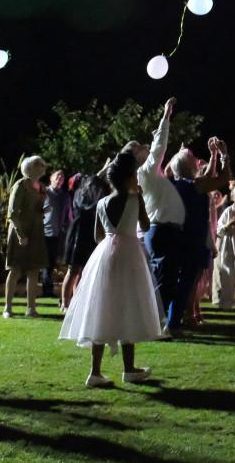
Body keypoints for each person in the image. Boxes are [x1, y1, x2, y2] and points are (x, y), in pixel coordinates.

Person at [59, 152, 161, 388]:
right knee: (128, 306)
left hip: (105, 255)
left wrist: (111, 237)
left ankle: (95, 371)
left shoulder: (102, 203)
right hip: (129, 255)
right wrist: (140, 203)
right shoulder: (135, 200)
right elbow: (145, 225)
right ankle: (129, 368)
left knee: (102, 307)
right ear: (129, 177)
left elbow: (97, 235)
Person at [129, 98, 184, 334]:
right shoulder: (145, 171)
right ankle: (154, 324)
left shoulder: (150, 173)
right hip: (160, 230)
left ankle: (157, 323)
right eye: (141, 148)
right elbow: (159, 146)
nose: (147, 148)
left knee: (164, 279)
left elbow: (158, 150)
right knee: (163, 280)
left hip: (161, 230)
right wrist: (165, 116)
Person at [169, 140, 230, 328]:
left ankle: (179, 317)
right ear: (187, 166)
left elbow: (207, 177)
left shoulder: (176, 183)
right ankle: (180, 318)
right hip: (194, 237)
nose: (196, 160)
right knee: (190, 281)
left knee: (184, 281)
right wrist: (224, 155)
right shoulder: (194, 185)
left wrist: (213, 156)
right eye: (192, 158)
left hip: (180, 236)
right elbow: (223, 178)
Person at [4, 156, 49, 318]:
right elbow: (12, 213)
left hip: (36, 231)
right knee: (15, 269)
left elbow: (35, 210)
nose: (42, 167)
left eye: (42, 164)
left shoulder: (41, 187)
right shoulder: (21, 185)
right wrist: (20, 234)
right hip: (21, 231)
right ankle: (8, 308)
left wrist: (43, 211)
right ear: (29, 168)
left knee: (33, 270)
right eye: (38, 164)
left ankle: (31, 308)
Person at [61, 173, 112, 311]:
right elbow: (88, 206)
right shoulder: (81, 197)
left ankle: (77, 302)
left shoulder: (92, 197)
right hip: (78, 234)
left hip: (89, 234)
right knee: (73, 270)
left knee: (83, 271)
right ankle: (65, 303)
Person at [42, 170, 73, 300]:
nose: (60, 178)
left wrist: (70, 228)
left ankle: (48, 288)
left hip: (58, 233)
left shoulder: (64, 196)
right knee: (45, 262)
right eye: (57, 176)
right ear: (51, 178)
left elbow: (69, 215)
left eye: (62, 177)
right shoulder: (44, 192)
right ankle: (47, 289)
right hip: (44, 231)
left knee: (53, 262)